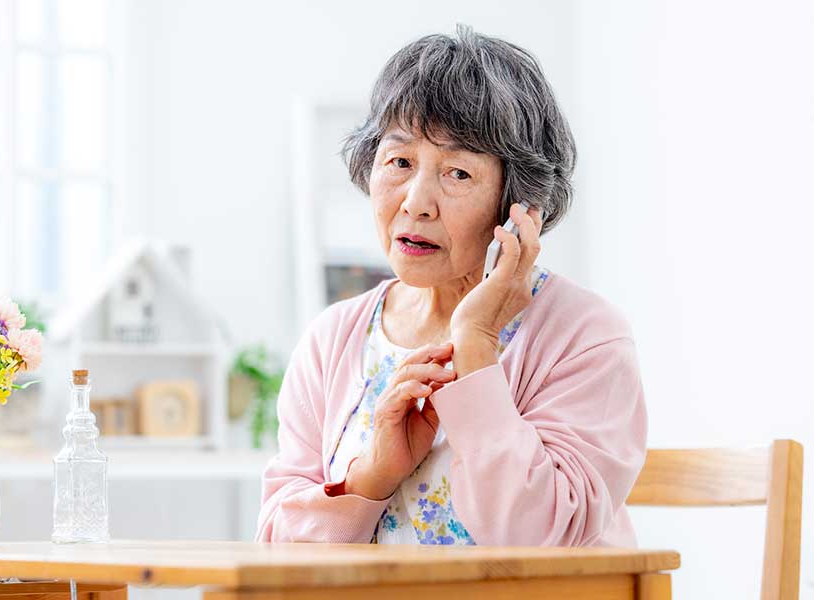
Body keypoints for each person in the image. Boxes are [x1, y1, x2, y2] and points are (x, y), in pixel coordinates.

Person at [256, 25, 647, 547]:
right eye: (399, 162)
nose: (416, 202)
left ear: (519, 202)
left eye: (458, 173)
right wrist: (372, 475)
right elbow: (277, 550)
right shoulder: (333, 339)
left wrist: (476, 342)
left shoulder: (585, 336)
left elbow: (538, 541)